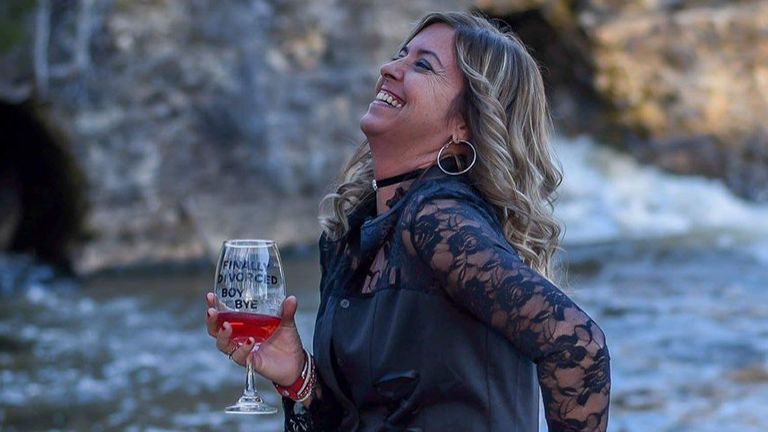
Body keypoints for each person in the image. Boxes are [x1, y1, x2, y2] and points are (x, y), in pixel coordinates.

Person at [206, 11, 610, 432]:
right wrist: (298, 375)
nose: (389, 68)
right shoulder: (350, 235)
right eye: (401, 54)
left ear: (464, 123)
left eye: (423, 65)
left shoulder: (439, 221)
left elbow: (578, 348)